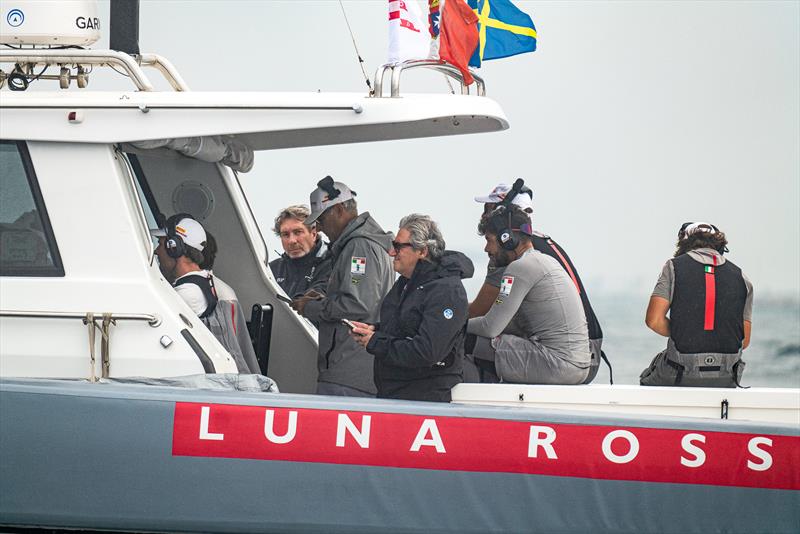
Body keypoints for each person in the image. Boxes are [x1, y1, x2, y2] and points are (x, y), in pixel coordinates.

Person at [471, 181, 608, 383]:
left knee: (468, 340)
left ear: (506, 238)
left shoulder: (517, 267)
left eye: (489, 240)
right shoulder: (543, 254)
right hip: (583, 359)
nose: (486, 249)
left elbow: (489, 324)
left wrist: (448, 322)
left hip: (560, 364)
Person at [349, 214, 473, 402]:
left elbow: (427, 351)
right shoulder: (406, 283)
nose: (391, 252)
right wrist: (376, 330)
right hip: (395, 393)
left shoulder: (447, 291)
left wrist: (376, 341)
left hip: (424, 400)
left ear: (422, 251)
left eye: (398, 247)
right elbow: (405, 328)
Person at [290, 176, 394, 397]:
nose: (319, 227)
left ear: (338, 210)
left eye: (322, 219)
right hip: (359, 368)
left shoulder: (359, 247)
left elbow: (356, 304)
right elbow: (359, 292)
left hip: (349, 370)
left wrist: (310, 307)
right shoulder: (366, 244)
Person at [640, 222, 752, 387]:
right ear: (721, 247)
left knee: (647, 377)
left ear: (683, 245)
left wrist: (686, 330)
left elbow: (654, 321)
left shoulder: (673, 267)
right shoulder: (742, 277)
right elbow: (745, 340)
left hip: (680, 372)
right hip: (727, 376)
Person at [153, 214, 260, 374]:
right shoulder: (214, 285)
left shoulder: (188, 294)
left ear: (174, 248)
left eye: (161, 244)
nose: (156, 251)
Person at [269, 205, 332, 298]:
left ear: (313, 234)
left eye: (298, 232)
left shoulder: (335, 263)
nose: (292, 241)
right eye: (285, 234)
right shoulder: (271, 270)